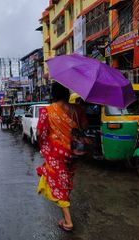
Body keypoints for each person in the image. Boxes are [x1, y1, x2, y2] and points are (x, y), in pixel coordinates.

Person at [36, 82, 87, 232]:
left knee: (60, 186)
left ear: (53, 94)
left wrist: (50, 140)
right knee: (66, 182)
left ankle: (68, 222)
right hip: (73, 153)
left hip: (56, 154)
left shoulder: (47, 110)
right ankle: (65, 216)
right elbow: (84, 127)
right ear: (67, 94)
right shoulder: (77, 110)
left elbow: (40, 133)